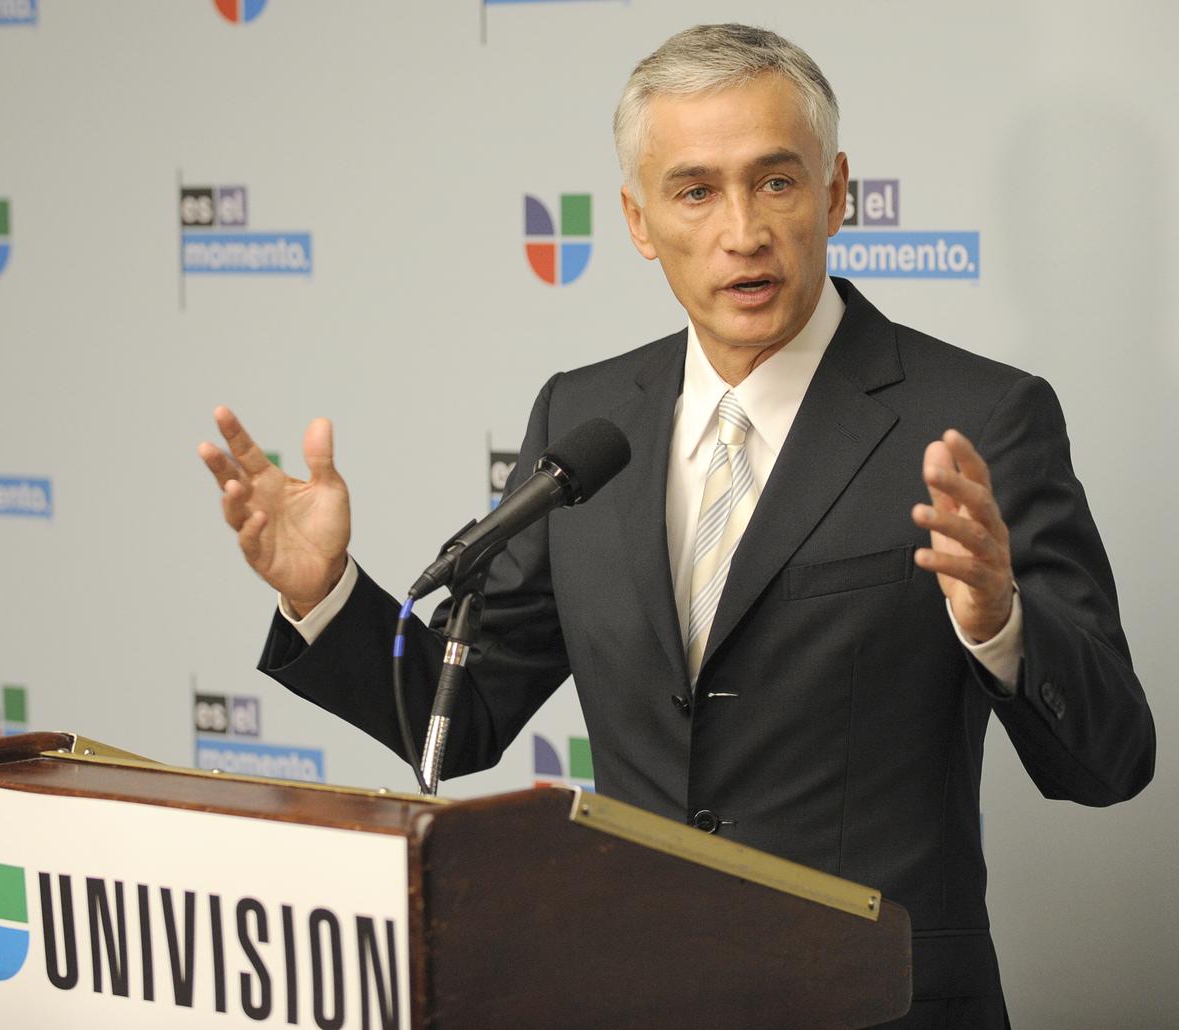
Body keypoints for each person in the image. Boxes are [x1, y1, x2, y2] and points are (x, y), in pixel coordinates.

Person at [199, 24, 1154, 1028]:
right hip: (639, 995)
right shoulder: (582, 418)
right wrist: (325, 594)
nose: (741, 230)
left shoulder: (976, 418)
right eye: (694, 190)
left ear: (834, 196)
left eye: (775, 182)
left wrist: (999, 619)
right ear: (639, 219)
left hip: (879, 1004)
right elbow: (464, 714)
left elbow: (1109, 758)